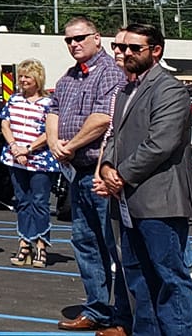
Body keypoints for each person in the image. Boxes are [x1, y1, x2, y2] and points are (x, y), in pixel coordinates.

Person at [94, 24, 192, 336]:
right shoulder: (125, 90)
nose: (125, 53)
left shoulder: (170, 89)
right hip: (127, 200)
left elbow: (161, 143)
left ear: (156, 51)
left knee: (169, 278)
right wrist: (107, 166)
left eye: (134, 48)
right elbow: (116, 137)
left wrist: (121, 174)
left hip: (159, 201)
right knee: (137, 275)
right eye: (120, 47)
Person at [45, 17, 129, 336]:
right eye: (68, 40)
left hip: (101, 172)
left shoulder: (110, 72)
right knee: (85, 241)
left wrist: (69, 145)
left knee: (114, 245)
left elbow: (103, 118)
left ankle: (124, 315)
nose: (74, 44)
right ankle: (97, 308)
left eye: (79, 38)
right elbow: (52, 111)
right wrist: (54, 142)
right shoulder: (68, 77)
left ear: (97, 38)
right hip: (76, 172)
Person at [0, 58, 60, 267]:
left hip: (40, 161)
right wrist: (15, 147)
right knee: (22, 201)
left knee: (40, 202)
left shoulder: (48, 103)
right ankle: (24, 242)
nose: (23, 80)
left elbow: (50, 131)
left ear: (37, 79)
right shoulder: (14, 100)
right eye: (21, 76)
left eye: (28, 77)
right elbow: (5, 125)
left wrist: (29, 148)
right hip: (15, 159)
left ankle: (41, 244)